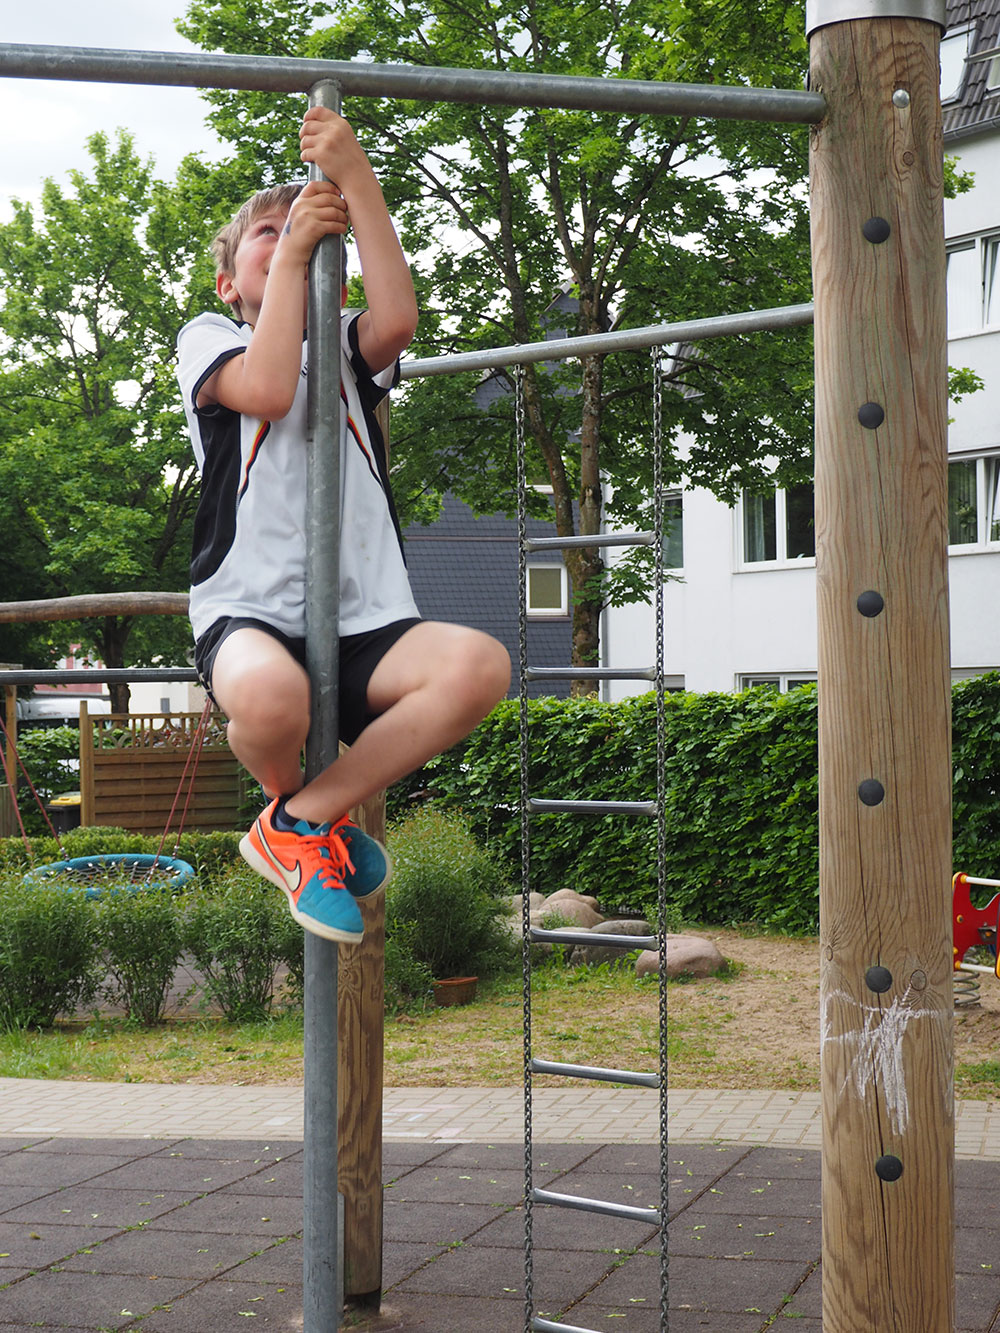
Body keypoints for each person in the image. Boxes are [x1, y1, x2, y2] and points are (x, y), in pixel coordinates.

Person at [176, 107, 510, 946]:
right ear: (228, 282)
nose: (287, 232)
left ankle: (300, 822)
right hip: (249, 608)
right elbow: (269, 389)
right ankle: (302, 825)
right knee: (270, 694)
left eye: (299, 224)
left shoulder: (349, 350)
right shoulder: (210, 338)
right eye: (265, 232)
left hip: (364, 612)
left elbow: (398, 317)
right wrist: (294, 248)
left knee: (479, 666)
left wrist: (356, 177)